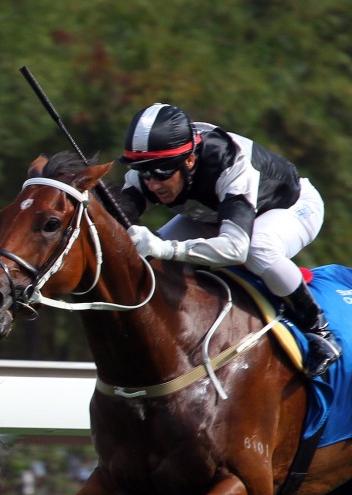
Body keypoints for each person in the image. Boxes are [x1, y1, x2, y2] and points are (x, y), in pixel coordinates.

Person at [118, 102, 339, 378]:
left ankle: (319, 330)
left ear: (189, 160)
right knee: (151, 262)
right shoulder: (153, 167)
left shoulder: (229, 164)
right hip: (217, 215)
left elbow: (235, 249)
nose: (152, 184)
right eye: (144, 172)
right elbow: (116, 217)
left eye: (161, 172)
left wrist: (166, 248)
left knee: (257, 248)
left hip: (289, 208)